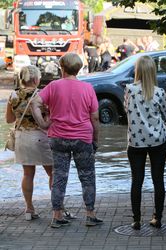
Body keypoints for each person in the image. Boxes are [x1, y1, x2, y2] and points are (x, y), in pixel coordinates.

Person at [31, 52, 102, 228]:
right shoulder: (87, 88)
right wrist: (96, 139)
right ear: (78, 69)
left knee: (59, 177)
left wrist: (43, 123)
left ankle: (57, 216)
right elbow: (94, 118)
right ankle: (90, 214)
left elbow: (34, 103)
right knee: (87, 177)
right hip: (82, 138)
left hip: (58, 137)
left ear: (62, 68)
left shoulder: (54, 86)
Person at [124, 55, 166, 230]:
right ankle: (158, 218)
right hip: (157, 140)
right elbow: (164, 114)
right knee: (158, 179)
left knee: (137, 180)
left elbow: (126, 109)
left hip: (136, 141)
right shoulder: (159, 92)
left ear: (138, 71)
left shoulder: (129, 89)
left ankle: (136, 219)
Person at [5, 65, 53, 221]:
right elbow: (49, 118)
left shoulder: (13, 95)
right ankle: (58, 208)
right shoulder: (41, 95)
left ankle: (29, 209)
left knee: (27, 174)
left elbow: (9, 120)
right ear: (35, 79)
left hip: (21, 138)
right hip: (41, 137)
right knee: (52, 173)